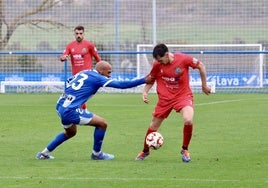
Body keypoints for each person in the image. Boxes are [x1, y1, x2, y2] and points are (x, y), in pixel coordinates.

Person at [36, 61, 153, 160]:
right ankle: (97, 154)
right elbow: (121, 85)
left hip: (60, 106)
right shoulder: (98, 78)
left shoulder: (84, 72)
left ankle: (44, 154)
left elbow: (68, 82)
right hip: (70, 110)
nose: (109, 76)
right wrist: (143, 80)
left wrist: (75, 99)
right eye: (109, 72)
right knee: (102, 124)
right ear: (101, 71)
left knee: (70, 133)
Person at [135, 43, 211, 162]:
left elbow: (201, 65)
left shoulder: (183, 59)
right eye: (158, 61)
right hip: (165, 99)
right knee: (153, 126)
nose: (159, 63)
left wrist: (204, 85)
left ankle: (185, 149)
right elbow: (151, 78)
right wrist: (145, 91)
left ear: (166, 54)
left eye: (161, 60)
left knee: (188, 119)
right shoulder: (157, 65)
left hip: (182, 96)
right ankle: (145, 151)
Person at [60, 25, 101, 109]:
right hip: (76, 77)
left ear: (83, 34)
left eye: (80, 33)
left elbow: (98, 58)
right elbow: (63, 56)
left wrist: (102, 70)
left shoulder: (89, 45)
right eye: (77, 33)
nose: (79, 35)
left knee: (79, 96)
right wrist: (63, 58)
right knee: (77, 97)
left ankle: (81, 113)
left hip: (87, 76)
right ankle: (83, 113)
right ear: (74, 34)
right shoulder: (70, 46)